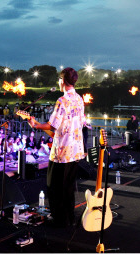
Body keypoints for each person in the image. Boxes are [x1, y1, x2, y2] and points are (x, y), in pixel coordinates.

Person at [28, 67, 87, 227]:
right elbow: (82, 122)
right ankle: (69, 218)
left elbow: (52, 125)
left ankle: (59, 219)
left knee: (54, 187)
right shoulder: (79, 99)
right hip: (76, 151)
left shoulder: (62, 100)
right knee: (68, 187)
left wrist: (35, 125)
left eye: (59, 80)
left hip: (62, 152)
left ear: (63, 81)